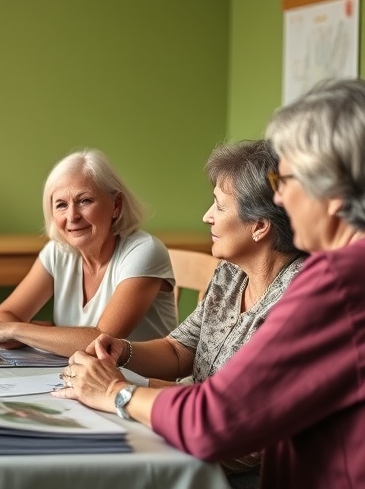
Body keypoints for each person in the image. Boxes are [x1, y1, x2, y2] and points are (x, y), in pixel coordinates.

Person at [56, 79, 365, 489]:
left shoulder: (334, 281)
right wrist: (125, 356)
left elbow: (217, 419)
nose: (281, 201)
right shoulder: (327, 274)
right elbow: (189, 357)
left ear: (333, 190)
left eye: (286, 182)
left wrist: (116, 392)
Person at [72, 140, 306, 484]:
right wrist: (123, 350)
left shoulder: (298, 297)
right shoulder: (231, 272)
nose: (206, 216)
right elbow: (179, 349)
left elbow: (232, 417)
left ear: (259, 226)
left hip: (231, 467)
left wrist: (117, 391)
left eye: (219, 206)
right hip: (180, 427)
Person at [0, 149, 176, 357]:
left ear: (116, 204)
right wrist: (32, 332)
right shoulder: (57, 252)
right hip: (79, 379)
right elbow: (3, 318)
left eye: (85, 200)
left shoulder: (144, 251)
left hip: (141, 384)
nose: (72, 216)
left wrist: (19, 330)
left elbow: (101, 342)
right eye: (61, 205)